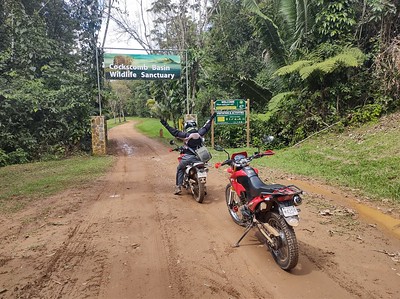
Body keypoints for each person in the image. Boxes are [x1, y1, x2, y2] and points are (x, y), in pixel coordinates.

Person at [160, 112, 217, 195]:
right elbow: (207, 126)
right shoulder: (200, 133)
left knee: (180, 168)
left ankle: (178, 187)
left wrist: (165, 124)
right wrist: (212, 117)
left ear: (186, 127)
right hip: (201, 157)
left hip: (188, 158)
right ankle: (203, 186)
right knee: (203, 167)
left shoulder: (185, 135)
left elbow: (173, 131)